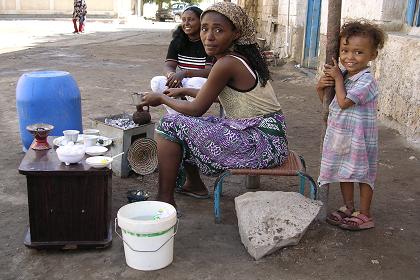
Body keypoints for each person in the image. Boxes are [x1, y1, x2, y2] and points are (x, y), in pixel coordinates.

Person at [140, 2, 288, 208]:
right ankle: (194, 185)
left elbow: (196, 109)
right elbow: (227, 97)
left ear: (235, 33)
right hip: (267, 137)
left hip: (261, 144)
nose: (208, 36)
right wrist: (183, 91)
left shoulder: (227, 63)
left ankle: (164, 200)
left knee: (170, 124)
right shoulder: (238, 58)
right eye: (204, 28)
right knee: (194, 126)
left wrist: (161, 98)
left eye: (218, 30)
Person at [316, 21, 386, 230]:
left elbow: (345, 102)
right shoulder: (345, 76)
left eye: (358, 52)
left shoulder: (367, 81)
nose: (349, 57)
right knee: (344, 172)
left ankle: (365, 214)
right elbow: (329, 103)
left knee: (364, 174)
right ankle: (348, 207)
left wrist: (337, 78)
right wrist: (320, 87)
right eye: (345, 51)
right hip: (342, 135)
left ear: (372, 55)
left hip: (360, 137)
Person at [150, 6, 214, 114]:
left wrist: (184, 73)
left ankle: (192, 114)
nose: (186, 23)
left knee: (195, 82)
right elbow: (169, 65)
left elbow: (209, 71)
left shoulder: (209, 42)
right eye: (183, 20)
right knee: (157, 82)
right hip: (184, 80)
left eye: (191, 19)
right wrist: (172, 77)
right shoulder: (177, 42)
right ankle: (176, 115)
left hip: (204, 83)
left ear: (202, 22)